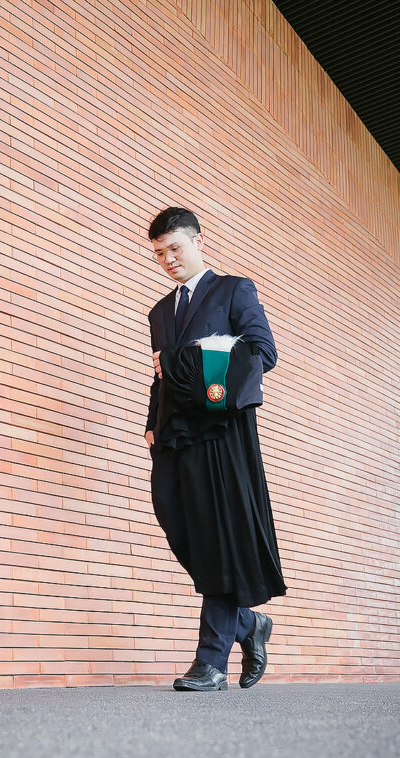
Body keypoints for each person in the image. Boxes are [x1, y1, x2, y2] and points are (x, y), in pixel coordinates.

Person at [143, 206, 287, 691]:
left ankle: (211, 661)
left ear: (198, 241)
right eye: (159, 253)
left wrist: (184, 358)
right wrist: (151, 423)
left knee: (218, 537)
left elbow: (263, 352)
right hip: (173, 435)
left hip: (222, 433)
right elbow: (160, 377)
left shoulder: (233, 290)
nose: (168, 259)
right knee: (177, 523)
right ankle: (247, 623)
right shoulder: (159, 312)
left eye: (175, 248)